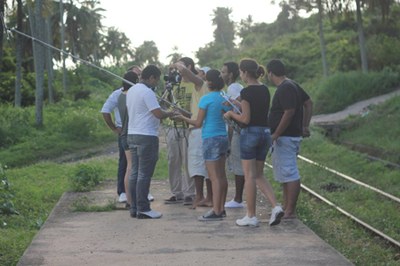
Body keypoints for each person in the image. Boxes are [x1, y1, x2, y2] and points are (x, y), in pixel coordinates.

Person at [224, 58, 284, 227]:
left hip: (250, 134)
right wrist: (237, 103)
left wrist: (230, 114)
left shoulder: (246, 92)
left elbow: (245, 118)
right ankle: (276, 206)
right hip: (265, 133)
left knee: (249, 175)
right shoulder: (265, 89)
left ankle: (250, 215)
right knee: (258, 174)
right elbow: (255, 109)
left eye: (241, 73)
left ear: (244, 72)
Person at [174, 69, 229, 221]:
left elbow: (198, 122)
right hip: (223, 137)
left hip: (210, 138)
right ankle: (221, 208)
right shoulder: (225, 97)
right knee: (222, 176)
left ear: (209, 82)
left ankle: (216, 210)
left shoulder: (205, 99)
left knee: (214, 177)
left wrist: (183, 118)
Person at [126, 65, 176, 219]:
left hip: (132, 134)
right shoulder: (147, 92)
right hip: (146, 136)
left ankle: (134, 208)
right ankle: (144, 208)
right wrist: (170, 113)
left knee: (135, 173)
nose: (156, 83)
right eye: (156, 80)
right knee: (144, 174)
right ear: (152, 77)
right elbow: (158, 113)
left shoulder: (132, 90)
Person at [266, 59, 313, 219]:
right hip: (290, 135)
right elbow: (308, 103)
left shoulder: (285, 88)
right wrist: (305, 126)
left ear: (270, 73)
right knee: (285, 173)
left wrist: (276, 134)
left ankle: (290, 211)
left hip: (286, 137)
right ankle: (286, 206)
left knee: (289, 172)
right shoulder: (292, 84)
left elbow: (289, 112)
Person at [101, 65, 142, 203]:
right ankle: (123, 192)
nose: (139, 78)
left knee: (138, 163)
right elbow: (105, 111)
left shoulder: (141, 92)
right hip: (125, 131)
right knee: (126, 163)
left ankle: (140, 192)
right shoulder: (118, 94)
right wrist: (114, 128)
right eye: (137, 75)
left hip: (137, 131)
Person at [221, 61, 245, 209]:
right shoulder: (237, 87)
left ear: (230, 74)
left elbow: (237, 107)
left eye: (223, 72)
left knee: (238, 165)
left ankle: (238, 199)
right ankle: (238, 198)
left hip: (237, 129)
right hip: (238, 128)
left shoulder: (233, 87)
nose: (221, 74)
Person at [117, 71, 140, 208]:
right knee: (132, 167)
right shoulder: (133, 96)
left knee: (129, 167)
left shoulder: (120, 96)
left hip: (124, 134)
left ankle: (130, 199)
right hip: (131, 133)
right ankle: (131, 200)